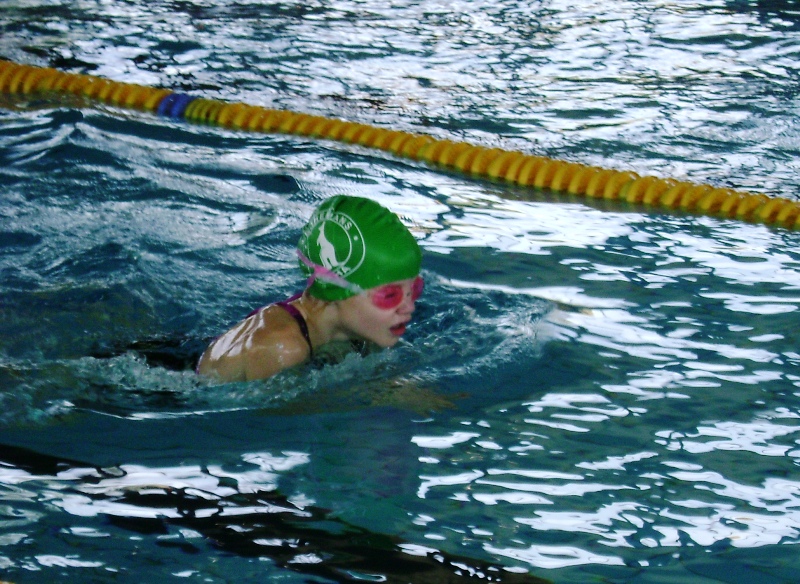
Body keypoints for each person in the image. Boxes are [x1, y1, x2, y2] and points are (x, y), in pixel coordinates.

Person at [197, 195, 423, 382]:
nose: (409, 307)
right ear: (337, 292)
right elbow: (278, 419)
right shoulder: (282, 347)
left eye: (414, 290)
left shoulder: (360, 329)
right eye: (390, 296)